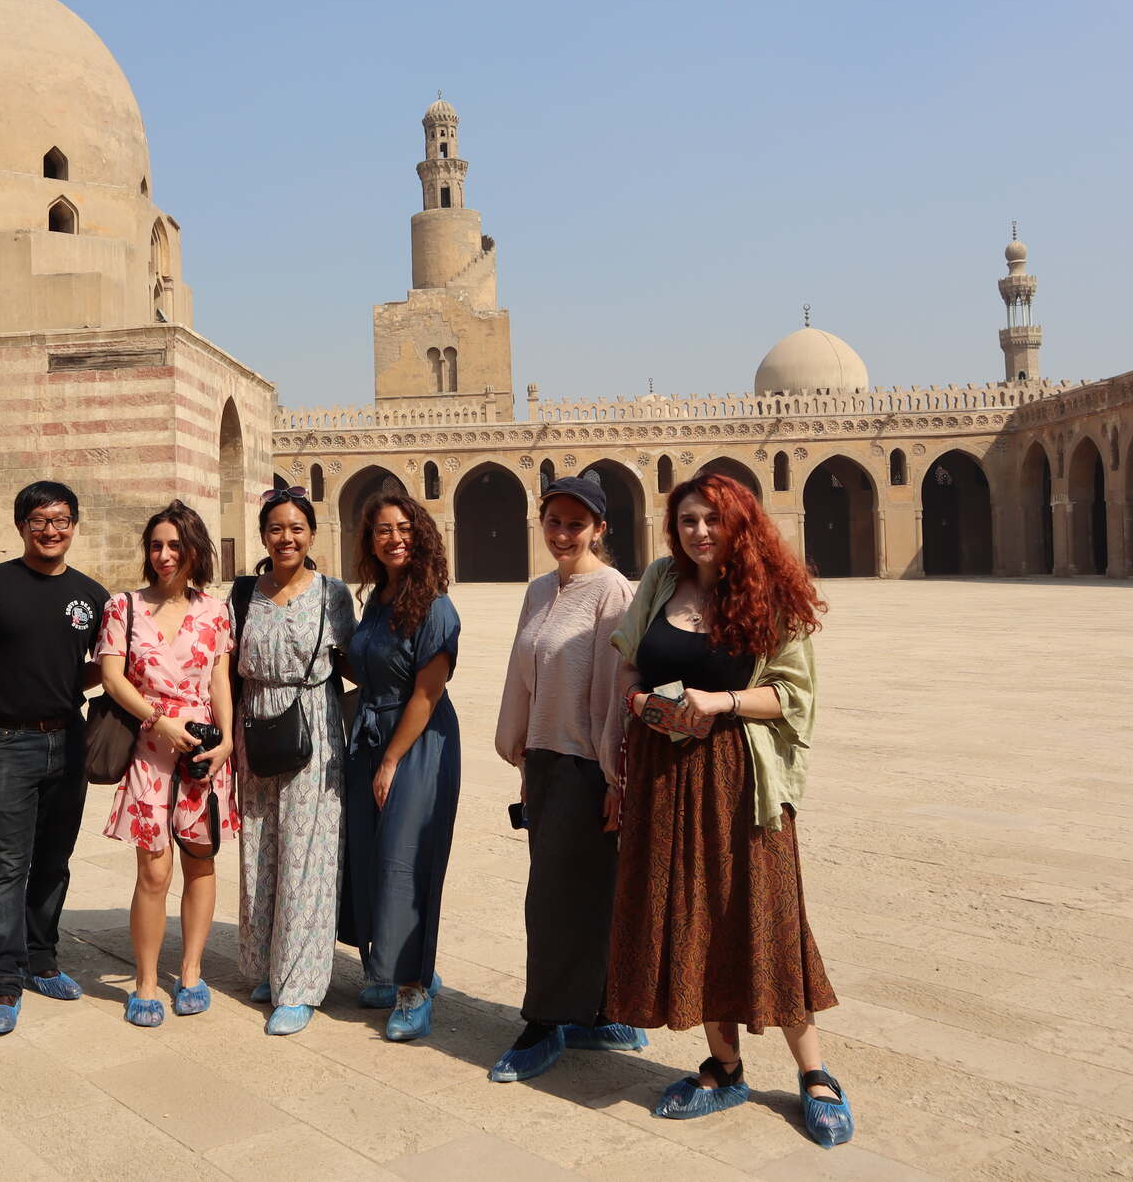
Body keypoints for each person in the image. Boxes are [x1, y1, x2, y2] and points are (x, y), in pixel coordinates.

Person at [608, 472, 853, 1148]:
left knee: (766, 913)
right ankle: (725, 1064)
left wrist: (719, 702)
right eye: (688, 519)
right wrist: (640, 706)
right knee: (690, 914)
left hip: (738, 779)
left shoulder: (769, 596)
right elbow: (626, 665)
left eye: (712, 519)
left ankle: (816, 1073)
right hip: (664, 771)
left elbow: (792, 696)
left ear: (739, 522)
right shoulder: (661, 580)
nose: (700, 532)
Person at [487, 474, 648, 1082]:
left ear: (599, 530)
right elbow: (521, 677)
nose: (562, 533)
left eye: (575, 524)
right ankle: (592, 1012)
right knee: (570, 891)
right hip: (547, 763)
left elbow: (615, 689)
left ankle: (544, 1022)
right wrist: (525, 757)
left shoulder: (613, 593)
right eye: (553, 521)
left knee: (558, 898)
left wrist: (616, 779)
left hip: (588, 765)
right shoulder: (539, 591)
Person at [0, 480, 109, 1034]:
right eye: (39, 521)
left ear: (73, 525)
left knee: (53, 860)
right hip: (8, 743)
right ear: (21, 527)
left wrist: (68, 686)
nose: (51, 530)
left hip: (68, 738)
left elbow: (105, 666)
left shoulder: (91, 596)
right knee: (7, 865)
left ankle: (42, 958)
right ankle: (3, 977)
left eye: (61, 520)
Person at [96, 501, 237, 1026]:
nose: (164, 555)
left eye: (175, 545)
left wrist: (224, 742)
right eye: (156, 545)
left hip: (202, 750)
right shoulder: (123, 607)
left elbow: (220, 680)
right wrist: (160, 721)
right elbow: (113, 679)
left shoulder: (215, 611)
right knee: (153, 871)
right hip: (151, 750)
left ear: (195, 549)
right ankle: (147, 981)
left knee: (201, 860)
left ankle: (193, 971)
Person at [233, 486, 355, 1036]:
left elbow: (356, 660)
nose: (287, 538)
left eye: (297, 529)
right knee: (260, 846)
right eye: (276, 529)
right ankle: (265, 965)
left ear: (312, 534)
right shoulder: (242, 594)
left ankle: (300, 985)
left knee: (308, 851)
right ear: (264, 535)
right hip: (256, 724)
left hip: (314, 726)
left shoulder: (332, 594)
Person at [340, 493, 461, 1042]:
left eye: (404, 528)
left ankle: (414, 990)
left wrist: (391, 759)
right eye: (383, 529)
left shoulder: (434, 606)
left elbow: (427, 693)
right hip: (371, 733)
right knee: (370, 854)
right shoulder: (379, 600)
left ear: (422, 535)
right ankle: (393, 968)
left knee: (406, 862)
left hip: (417, 743)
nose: (394, 538)